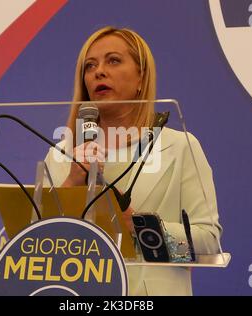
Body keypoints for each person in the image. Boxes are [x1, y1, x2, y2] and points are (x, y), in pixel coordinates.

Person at [44, 26, 222, 296]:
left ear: (141, 77)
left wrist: (138, 227)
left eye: (113, 60)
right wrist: (72, 182)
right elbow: (33, 244)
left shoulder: (178, 146)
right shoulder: (60, 154)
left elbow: (208, 243)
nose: (98, 71)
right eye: (90, 66)